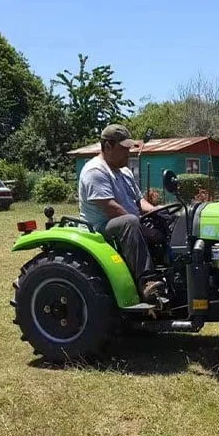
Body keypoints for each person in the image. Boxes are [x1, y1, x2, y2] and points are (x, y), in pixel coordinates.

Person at [78, 124, 165, 303]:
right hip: (101, 229)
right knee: (129, 222)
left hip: (126, 222)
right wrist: (142, 227)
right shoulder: (95, 171)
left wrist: (157, 211)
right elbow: (110, 208)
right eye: (124, 148)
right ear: (108, 146)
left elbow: (139, 201)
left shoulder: (124, 172)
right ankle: (146, 281)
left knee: (167, 218)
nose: (128, 153)